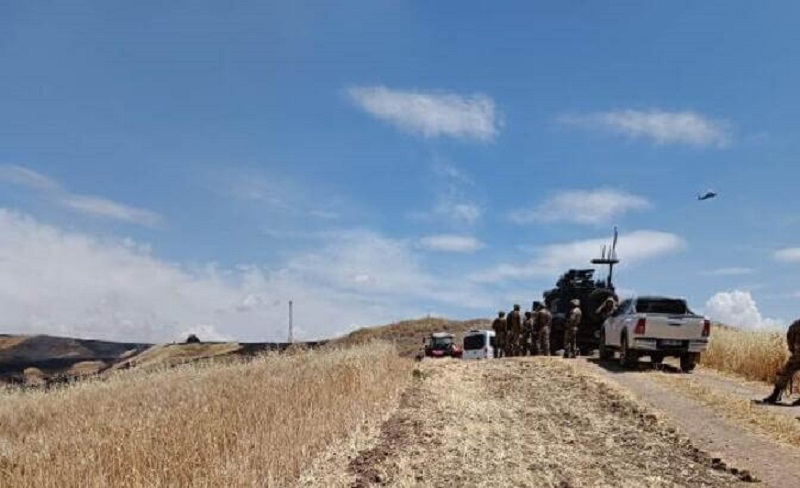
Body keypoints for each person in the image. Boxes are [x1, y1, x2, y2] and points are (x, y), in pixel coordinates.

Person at [757, 319, 800, 405]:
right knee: (786, 371)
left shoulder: (795, 326)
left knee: (786, 372)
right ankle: (776, 395)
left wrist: (794, 353)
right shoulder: (796, 326)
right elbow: (791, 341)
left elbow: (791, 342)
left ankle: (775, 395)